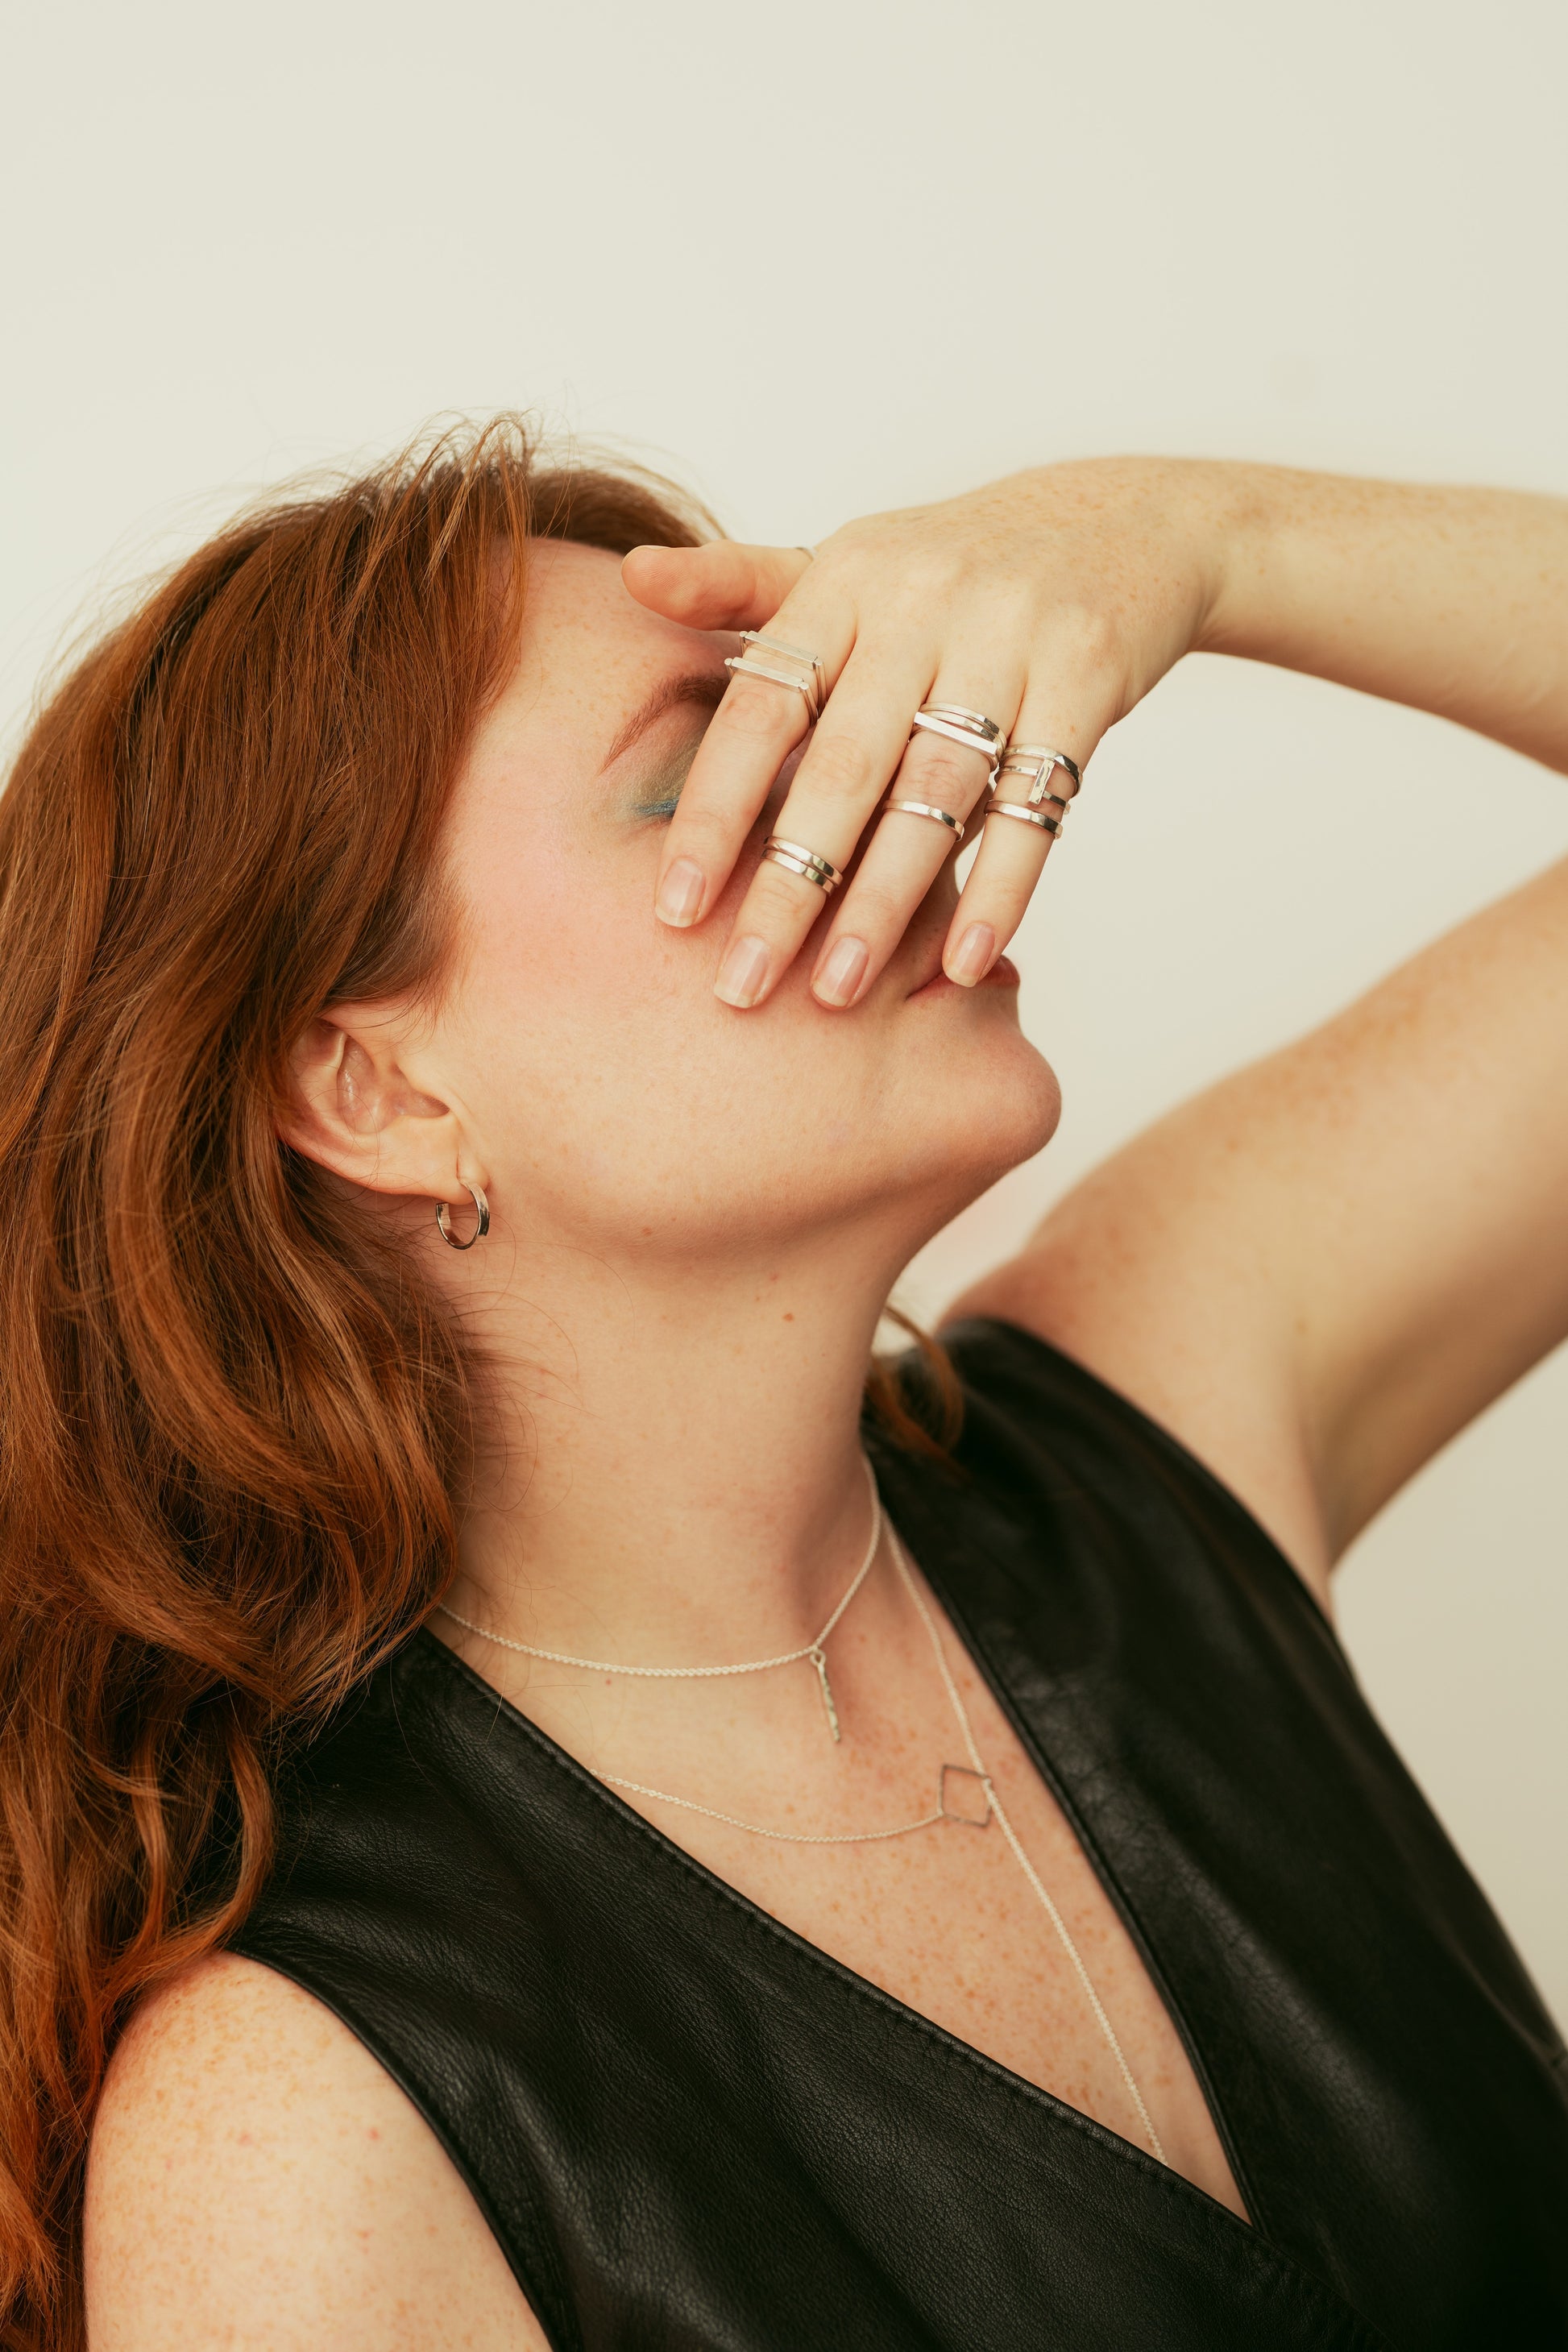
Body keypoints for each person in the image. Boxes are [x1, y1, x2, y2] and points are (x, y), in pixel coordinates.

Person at [1, 422, 1563, 2352]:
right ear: (378, 1090)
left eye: (830, 723)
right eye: (707, 776)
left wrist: (1196, 533)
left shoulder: (1150, 1400)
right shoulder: (298, 2130)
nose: (913, 793)